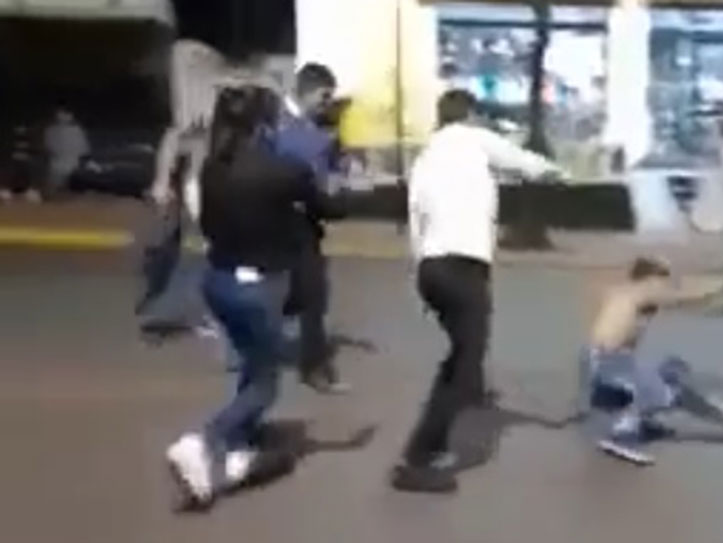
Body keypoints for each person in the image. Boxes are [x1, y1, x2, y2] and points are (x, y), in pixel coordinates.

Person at [164, 85, 360, 511]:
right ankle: (205, 440)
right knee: (265, 386)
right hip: (259, 288)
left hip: (218, 282)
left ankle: (236, 444)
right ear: (265, 124)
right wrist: (349, 183)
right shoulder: (283, 171)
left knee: (252, 365)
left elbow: (210, 225)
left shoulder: (213, 167)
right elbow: (330, 207)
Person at [393, 89, 564, 493]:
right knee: (467, 366)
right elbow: (523, 162)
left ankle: (433, 440)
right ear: (468, 114)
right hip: (464, 267)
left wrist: (419, 278)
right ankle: (417, 458)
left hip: (432, 266)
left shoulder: (425, 157)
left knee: (460, 354)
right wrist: (559, 172)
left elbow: (416, 221)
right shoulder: (473, 139)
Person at [581, 257, 723, 465]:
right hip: (608, 366)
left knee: (673, 372)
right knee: (661, 389)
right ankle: (621, 437)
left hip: (605, 365)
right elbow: (681, 298)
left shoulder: (625, 294)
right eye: (663, 279)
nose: (666, 285)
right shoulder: (639, 292)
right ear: (648, 278)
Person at [271, 62, 347, 394]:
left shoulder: (313, 131)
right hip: (283, 219)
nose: (327, 104)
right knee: (302, 295)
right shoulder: (284, 127)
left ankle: (312, 366)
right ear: (308, 91)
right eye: (324, 96)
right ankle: (310, 367)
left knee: (309, 295)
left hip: (299, 222)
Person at [42, 108, 89, 199]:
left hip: (66, 165)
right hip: (61, 165)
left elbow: (83, 150)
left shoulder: (76, 130)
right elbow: (84, 150)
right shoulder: (51, 130)